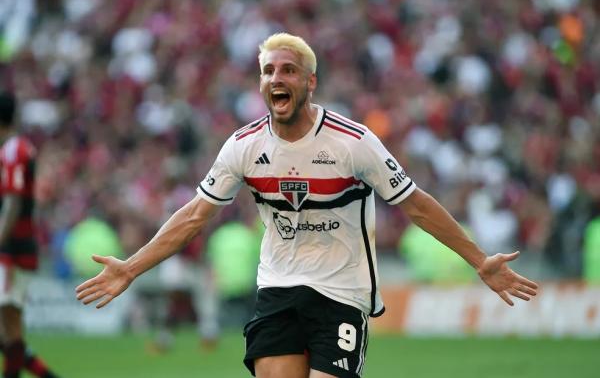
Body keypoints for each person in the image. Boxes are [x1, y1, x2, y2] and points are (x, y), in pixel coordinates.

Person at [76, 33, 539, 378]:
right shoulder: (242, 147)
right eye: (269, 71)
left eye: (288, 70)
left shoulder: (354, 143)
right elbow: (194, 215)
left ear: (310, 82)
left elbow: (416, 205)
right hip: (278, 288)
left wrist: (479, 260)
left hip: (343, 293)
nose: (277, 78)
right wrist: (131, 268)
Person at [0, 91, 60, 378]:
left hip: (11, 249)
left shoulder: (13, 151)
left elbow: (13, 200)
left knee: (10, 326)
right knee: (9, 329)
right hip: (18, 246)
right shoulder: (18, 148)